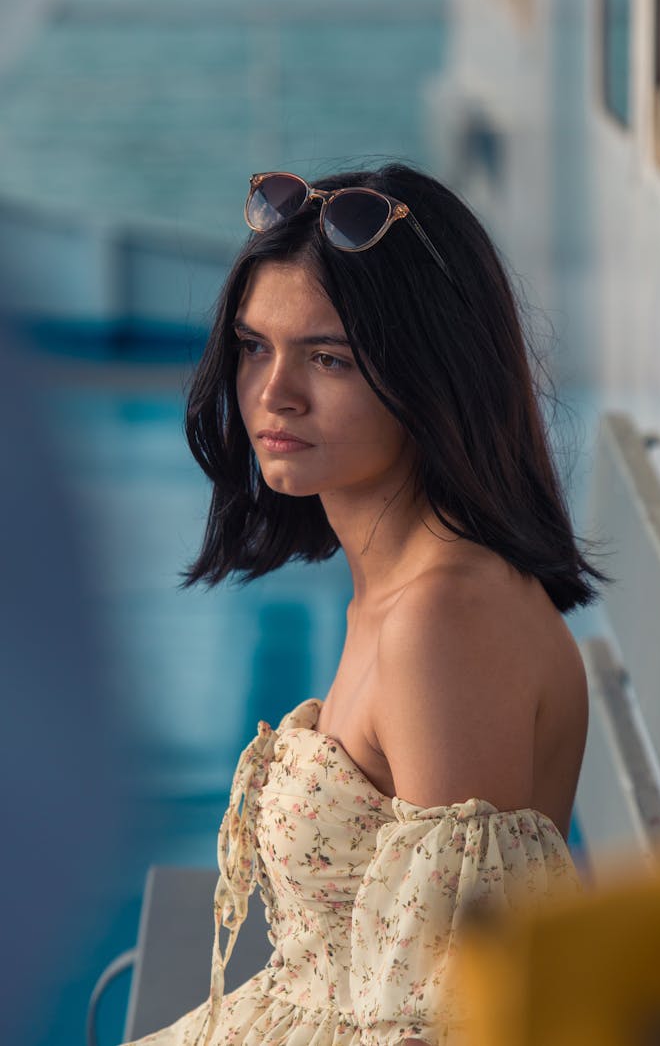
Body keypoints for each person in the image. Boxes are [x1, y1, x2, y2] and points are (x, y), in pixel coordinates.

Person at [123, 164, 607, 1046]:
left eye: (330, 358)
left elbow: (445, 1019)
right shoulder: (401, 589)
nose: (275, 393)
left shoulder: (445, 618)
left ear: (431, 377)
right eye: (255, 346)